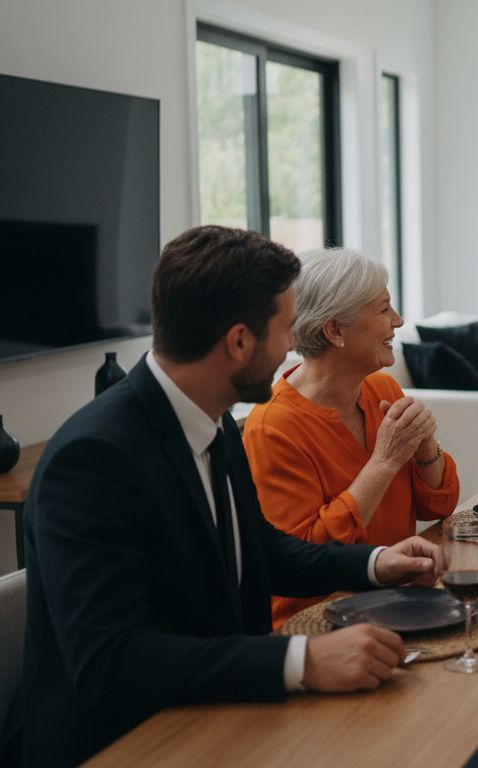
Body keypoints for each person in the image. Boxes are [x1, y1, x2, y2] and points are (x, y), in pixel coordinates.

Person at [19, 226, 443, 767]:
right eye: (286, 329)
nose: (295, 345)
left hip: (221, 708)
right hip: (128, 741)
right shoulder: (92, 461)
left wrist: (379, 564)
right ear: (239, 342)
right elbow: (111, 660)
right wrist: (302, 660)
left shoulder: (211, 422)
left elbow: (260, 550)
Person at [243, 248, 460, 629]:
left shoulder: (382, 387)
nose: (398, 320)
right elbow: (307, 556)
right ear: (334, 331)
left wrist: (427, 448)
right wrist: (384, 462)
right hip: (317, 622)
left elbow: (439, 505)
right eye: (383, 310)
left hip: (399, 600)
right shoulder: (273, 426)